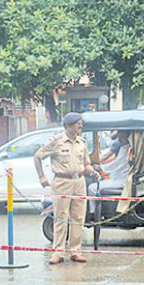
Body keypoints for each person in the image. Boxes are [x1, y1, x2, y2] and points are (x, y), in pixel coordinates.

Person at [34, 112, 99, 264]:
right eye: (78, 123)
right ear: (69, 125)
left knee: (78, 217)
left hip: (79, 181)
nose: (80, 126)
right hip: (62, 182)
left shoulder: (82, 142)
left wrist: (93, 171)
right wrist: (42, 177)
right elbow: (37, 156)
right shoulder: (56, 141)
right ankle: (58, 252)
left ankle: (75, 251)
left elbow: (86, 163)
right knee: (60, 217)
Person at [88, 131, 131, 215]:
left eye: (120, 135)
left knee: (92, 188)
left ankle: (92, 213)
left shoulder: (126, 148)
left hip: (120, 180)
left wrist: (99, 167)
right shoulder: (123, 147)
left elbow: (116, 165)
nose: (119, 138)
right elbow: (106, 156)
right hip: (117, 178)